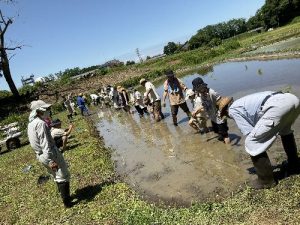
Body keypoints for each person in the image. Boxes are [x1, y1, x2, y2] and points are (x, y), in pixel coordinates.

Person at [219, 91, 300, 189]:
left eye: (225, 115)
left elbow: (249, 133)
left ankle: (266, 181)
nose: (228, 117)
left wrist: (260, 145)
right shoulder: (242, 103)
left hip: (277, 107)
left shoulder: (232, 110)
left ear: (225, 111)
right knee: (285, 130)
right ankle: (294, 164)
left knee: (252, 143)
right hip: (292, 100)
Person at [27, 100, 73, 207]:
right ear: (39, 111)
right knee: (63, 175)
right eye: (46, 109)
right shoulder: (41, 123)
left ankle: (64, 197)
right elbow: (45, 143)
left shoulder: (31, 124)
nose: (48, 111)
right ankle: (67, 202)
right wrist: (51, 160)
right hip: (49, 153)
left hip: (40, 155)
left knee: (55, 175)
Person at [192, 77, 230, 144]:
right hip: (213, 118)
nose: (196, 90)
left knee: (225, 136)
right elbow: (205, 105)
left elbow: (222, 102)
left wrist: (223, 115)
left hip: (220, 118)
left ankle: (229, 149)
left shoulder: (212, 93)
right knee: (218, 134)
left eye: (196, 89)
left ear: (201, 86)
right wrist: (197, 110)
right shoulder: (201, 95)